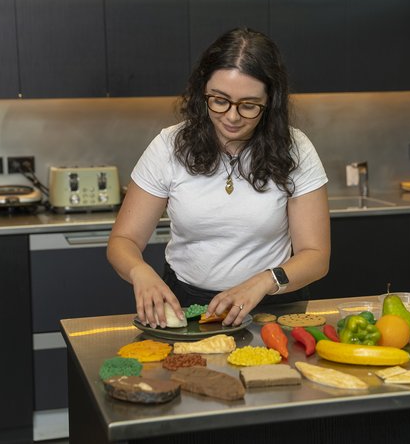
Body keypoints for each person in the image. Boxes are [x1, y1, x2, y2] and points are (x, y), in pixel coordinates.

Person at [107, 27, 330, 328]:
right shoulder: (168, 146)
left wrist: (265, 281)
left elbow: (315, 255)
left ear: (270, 103)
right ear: (203, 92)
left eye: (249, 105)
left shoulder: (295, 148)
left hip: (272, 306)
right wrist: (140, 273)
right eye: (220, 100)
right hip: (186, 305)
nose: (232, 117)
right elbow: (123, 240)